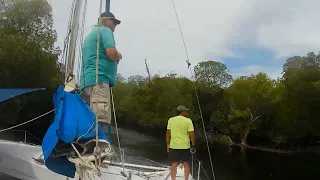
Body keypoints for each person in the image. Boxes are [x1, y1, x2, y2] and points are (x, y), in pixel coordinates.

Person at [79, 11, 122, 137]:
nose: (115, 26)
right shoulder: (105, 31)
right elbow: (111, 53)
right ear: (104, 20)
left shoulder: (89, 37)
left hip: (86, 83)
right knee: (100, 119)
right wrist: (118, 56)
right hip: (99, 81)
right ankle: (96, 151)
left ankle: (84, 147)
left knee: (89, 119)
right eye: (113, 22)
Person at [166, 105, 196, 180]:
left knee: (174, 164)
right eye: (186, 111)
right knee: (186, 163)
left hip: (174, 145)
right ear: (182, 112)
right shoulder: (188, 121)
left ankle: (173, 179)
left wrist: (168, 144)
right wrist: (193, 145)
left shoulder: (171, 120)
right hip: (185, 146)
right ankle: (186, 179)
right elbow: (191, 134)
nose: (186, 112)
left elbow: (168, 133)